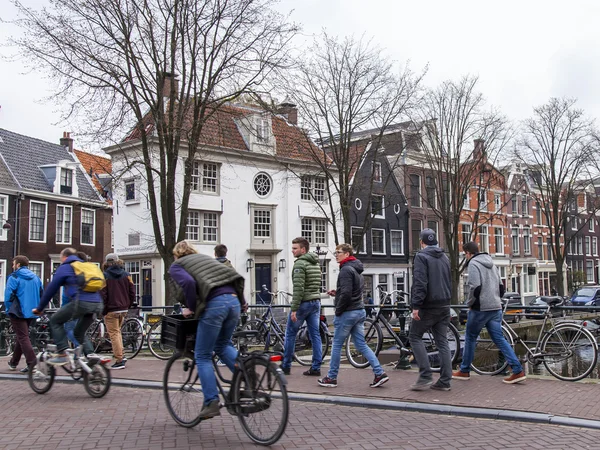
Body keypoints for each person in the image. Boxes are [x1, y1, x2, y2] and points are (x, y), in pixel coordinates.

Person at [169, 240, 247, 420]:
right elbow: (234, 276)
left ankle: (211, 402)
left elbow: (188, 284)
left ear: (177, 254)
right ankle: (245, 373)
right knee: (222, 344)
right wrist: (242, 301)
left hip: (215, 305)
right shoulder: (206, 259)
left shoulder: (177, 265)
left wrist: (189, 307)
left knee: (202, 355)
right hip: (234, 301)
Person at [453, 241, 527, 384]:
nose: (465, 257)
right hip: (495, 307)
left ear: (468, 253)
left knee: (470, 337)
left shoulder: (474, 263)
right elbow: (501, 287)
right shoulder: (491, 262)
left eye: (465, 254)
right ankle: (517, 370)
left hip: (481, 308)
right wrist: (495, 300)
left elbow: (475, 287)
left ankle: (464, 370)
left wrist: (470, 304)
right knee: (499, 339)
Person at [318, 244, 389, 388]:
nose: (336, 255)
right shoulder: (357, 270)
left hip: (348, 313)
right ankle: (379, 373)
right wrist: (337, 293)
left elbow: (346, 294)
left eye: (338, 252)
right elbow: (351, 292)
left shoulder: (345, 270)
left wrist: (338, 310)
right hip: (359, 311)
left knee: (337, 345)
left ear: (346, 254)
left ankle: (331, 377)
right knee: (361, 344)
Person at [33, 248, 104, 364]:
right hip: (97, 304)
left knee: (55, 321)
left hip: (80, 303)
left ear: (64, 257)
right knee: (79, 332)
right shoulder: (86, 267)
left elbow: (51, 289)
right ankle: (91, 356)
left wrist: (40, 308)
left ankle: (62, 353)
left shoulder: (66, 267)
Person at [409, 228, 453, 391]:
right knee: (442, 342)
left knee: (414, 336)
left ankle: (425, 376)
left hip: (428, 305)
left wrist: (416, 306)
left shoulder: (421, 256)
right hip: (444, 305)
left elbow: (420, 282)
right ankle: (445, 380)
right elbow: (449, 280)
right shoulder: (445, 257)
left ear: (422, 242)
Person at [281, 237, 322, 376]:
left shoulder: (300, 264)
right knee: (315, 334)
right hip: (316, 302)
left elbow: (299, 289)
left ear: (303, 250)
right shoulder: (315, 263)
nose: (292, 251)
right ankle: (316, 367)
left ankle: (286, 365)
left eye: (295, 248)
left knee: (290, 333)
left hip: (303, 303)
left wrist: (294, 309)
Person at [5, 255, 43, 373]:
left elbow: (8, 296)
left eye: (13, 264)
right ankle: (13, 362)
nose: (12, 266)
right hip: (32, 312)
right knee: (22, 336)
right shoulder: (36, 278)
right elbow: (42, 293)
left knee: (23, 337)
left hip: (18, 312)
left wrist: (7, 309)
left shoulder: (14, 277)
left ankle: (32, 363)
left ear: (18, 265)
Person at [100, 253, 136, 370]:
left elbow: (103, 295)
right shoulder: (127, 275)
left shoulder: (104, 276)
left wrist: (103, 310)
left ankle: (120, 359)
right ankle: (122, 354)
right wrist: (128, 305)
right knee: (117, 332)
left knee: (114, 333)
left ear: (106, 263)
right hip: (123, 309)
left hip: (111, 309)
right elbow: (132, 292)